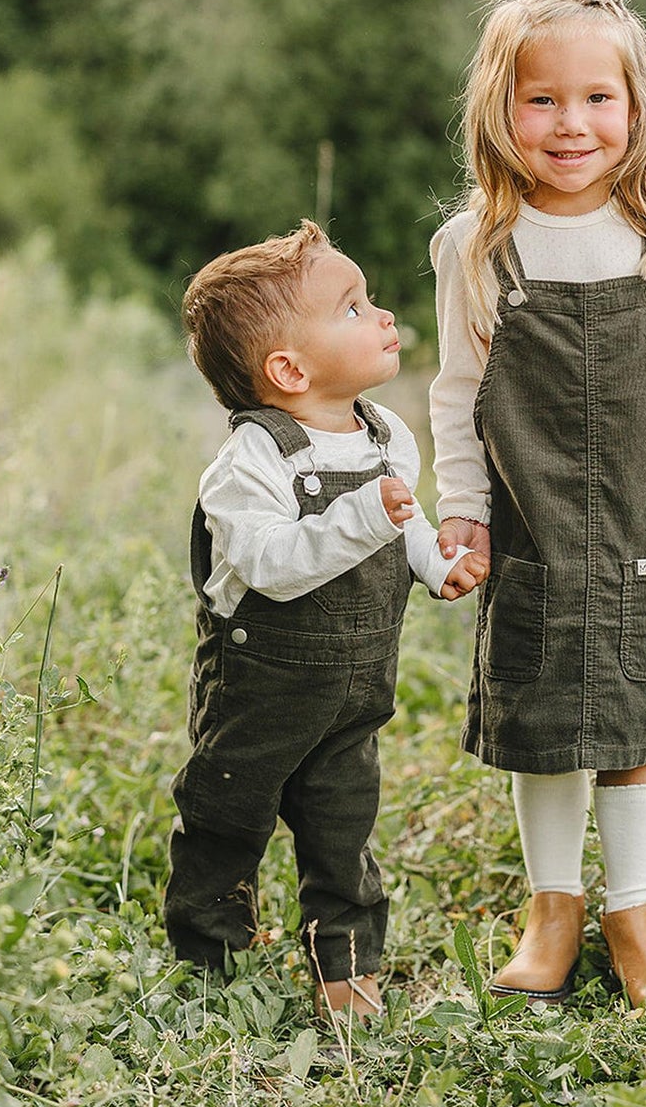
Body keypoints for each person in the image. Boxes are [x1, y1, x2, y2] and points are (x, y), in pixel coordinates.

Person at [429, 0, 646, 1008]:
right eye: (543, 100)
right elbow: (456, 392)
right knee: (544, 710)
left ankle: (634, 915)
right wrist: (462, 510)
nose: (572, 124)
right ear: (500, 109)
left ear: (636, 106)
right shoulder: (475, 245)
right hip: (531, 522)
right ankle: (554, 906)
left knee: (636, 720)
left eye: (596, 99)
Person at [164, 220, 487, 1023]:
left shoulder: (385, 436)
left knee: (344, 826)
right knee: (226, 817)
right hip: (262, 689)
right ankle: (211, 962)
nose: (381, 316)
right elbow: (272, 565)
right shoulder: (252, 463)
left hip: (355, 690)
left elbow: (403, 522)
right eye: (352, 307)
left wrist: (435, 562)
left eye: (370, 299)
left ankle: (344, 968)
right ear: (288, 367)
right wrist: (368, 521)